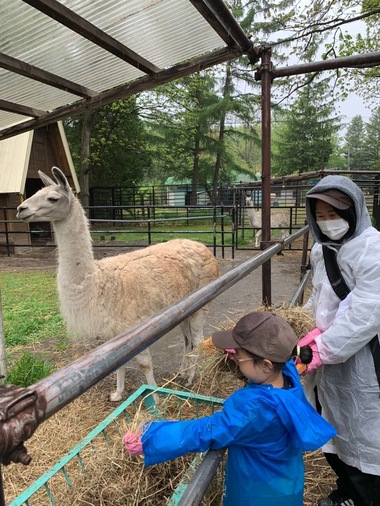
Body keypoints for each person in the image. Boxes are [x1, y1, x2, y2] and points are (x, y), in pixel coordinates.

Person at [124, 310, 336, 506]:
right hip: (286, 484)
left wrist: (150, 437)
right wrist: (242, 354)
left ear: (266, 365)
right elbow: (283, 358)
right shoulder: (289, 376)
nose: (234, 358)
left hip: (255, 493)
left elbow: (207, 431)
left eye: (239, 355)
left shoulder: (252, 407)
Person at [302, 175, 380, 506]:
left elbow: (367, 313)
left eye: (334, 214)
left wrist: (321, 348)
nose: (327, 222)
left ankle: (368, 499)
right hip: (326, 359)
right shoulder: (322, 250)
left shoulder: (372, 249)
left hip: (363, 358)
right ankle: (347, 491)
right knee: (332, 426)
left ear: (354, 211)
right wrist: (302, 327)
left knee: (365, 432)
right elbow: (319, 297)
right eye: (319, 216)